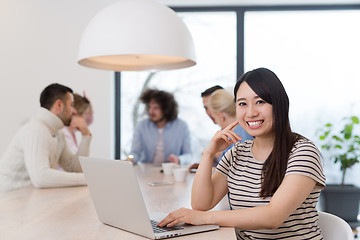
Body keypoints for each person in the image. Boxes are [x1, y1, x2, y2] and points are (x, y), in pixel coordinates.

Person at [158, 68, 326, 239]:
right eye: (242, 103)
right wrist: (209, 153)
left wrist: (205, 218)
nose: (251, 112)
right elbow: (201, 203)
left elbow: (273, 217)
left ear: (279, 104)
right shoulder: (237, 152)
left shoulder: (303, 152)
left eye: (260, 102)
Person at [0, 83, 92, 194]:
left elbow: (74, 168)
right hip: (9, 202)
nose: (75, 111)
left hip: (26, 199)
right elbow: (41, 177)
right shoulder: (36, 130)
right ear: (59, 105)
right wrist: (87, 179)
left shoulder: (57, 134)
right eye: (72, 105)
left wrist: (86, 135)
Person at [130, 88, 191, 165]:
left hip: (171, 171)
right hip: (146, 171)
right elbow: (134, 152)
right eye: (150, 107)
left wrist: (179, 160)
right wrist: (129, 159)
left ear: (166, 109)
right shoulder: (142, 126)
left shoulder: (182, 126)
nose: (151, 111)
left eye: (156, 108)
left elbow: (188, 155)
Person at [208, 89, 253, 162]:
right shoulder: (239, 130)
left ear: (221, 115)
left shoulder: (239, 135)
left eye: (214, 117)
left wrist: (208, 154)